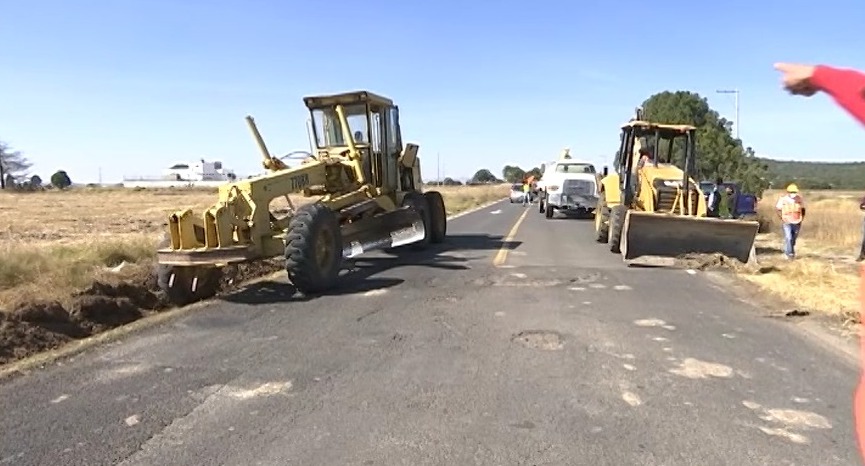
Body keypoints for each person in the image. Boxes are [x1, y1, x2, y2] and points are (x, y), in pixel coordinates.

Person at [775, 61, 865, 463]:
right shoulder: (786, 199)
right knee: (787, 240)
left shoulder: (796, 200)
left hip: (794, 224)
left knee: (791, 239)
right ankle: (789, 254)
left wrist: (822, 77)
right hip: (788, 225)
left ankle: (790, 253)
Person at [775, 184, 806, 260]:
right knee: (788, 237)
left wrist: (802, 218)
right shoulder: (783, 199)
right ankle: (789, 254)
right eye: (791, 192)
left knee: (793, 239)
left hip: (797, 221)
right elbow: (778, 209)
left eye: (794, 192)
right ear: (788, 192)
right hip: (787, 222)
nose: (793, 194)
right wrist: (781, 218)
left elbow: (803, 209)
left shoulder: (799, 199)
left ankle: (790, 249)